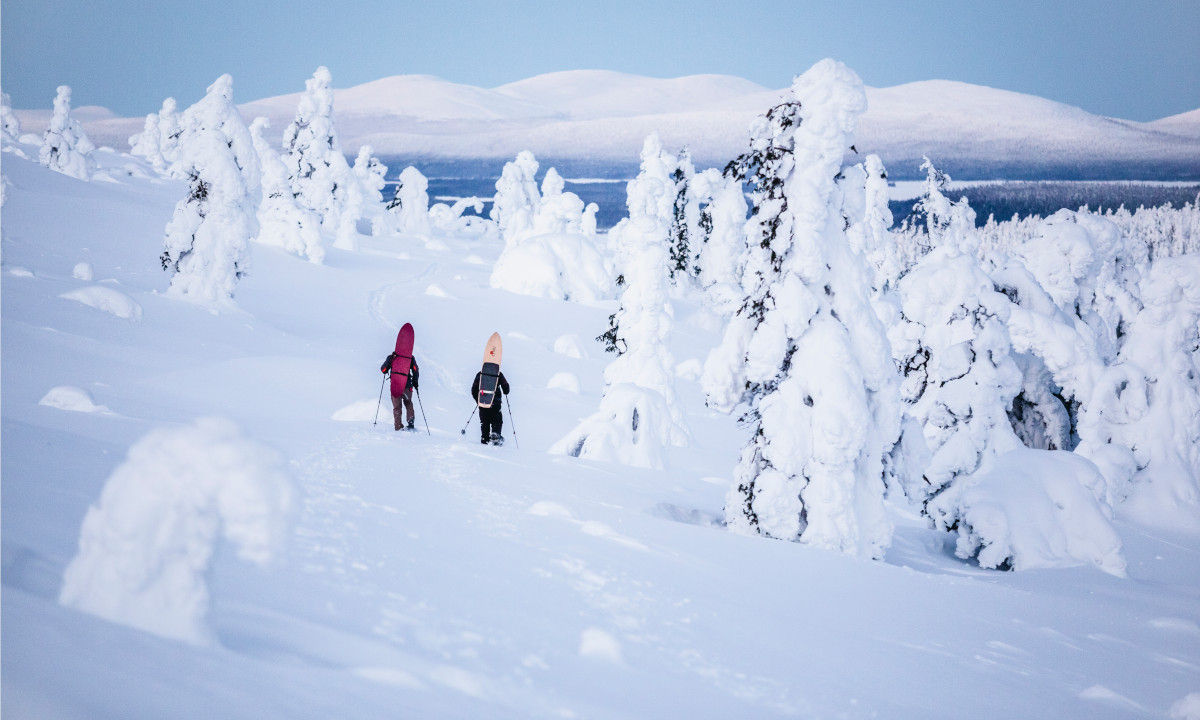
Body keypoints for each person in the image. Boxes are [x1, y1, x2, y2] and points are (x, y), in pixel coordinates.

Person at [380, 351, 419, 431]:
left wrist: (390, 360)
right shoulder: (410, 357)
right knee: (408, 403)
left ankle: (398, 427)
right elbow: (415, 370)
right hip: (407, 386)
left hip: (395, 386)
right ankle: (410, 421)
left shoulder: (391, 357)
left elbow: (383, 370)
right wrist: (415, 383)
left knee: (397, 407)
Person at [471, 369, 510, 445]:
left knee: (484, 423)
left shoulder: (480, 374)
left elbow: (473, 390)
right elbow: (506, 390)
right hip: (495, 404)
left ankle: (484, 440)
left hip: (483, 403)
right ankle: (495, 436)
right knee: (497, 422)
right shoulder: (499, 374)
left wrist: (479, 401)